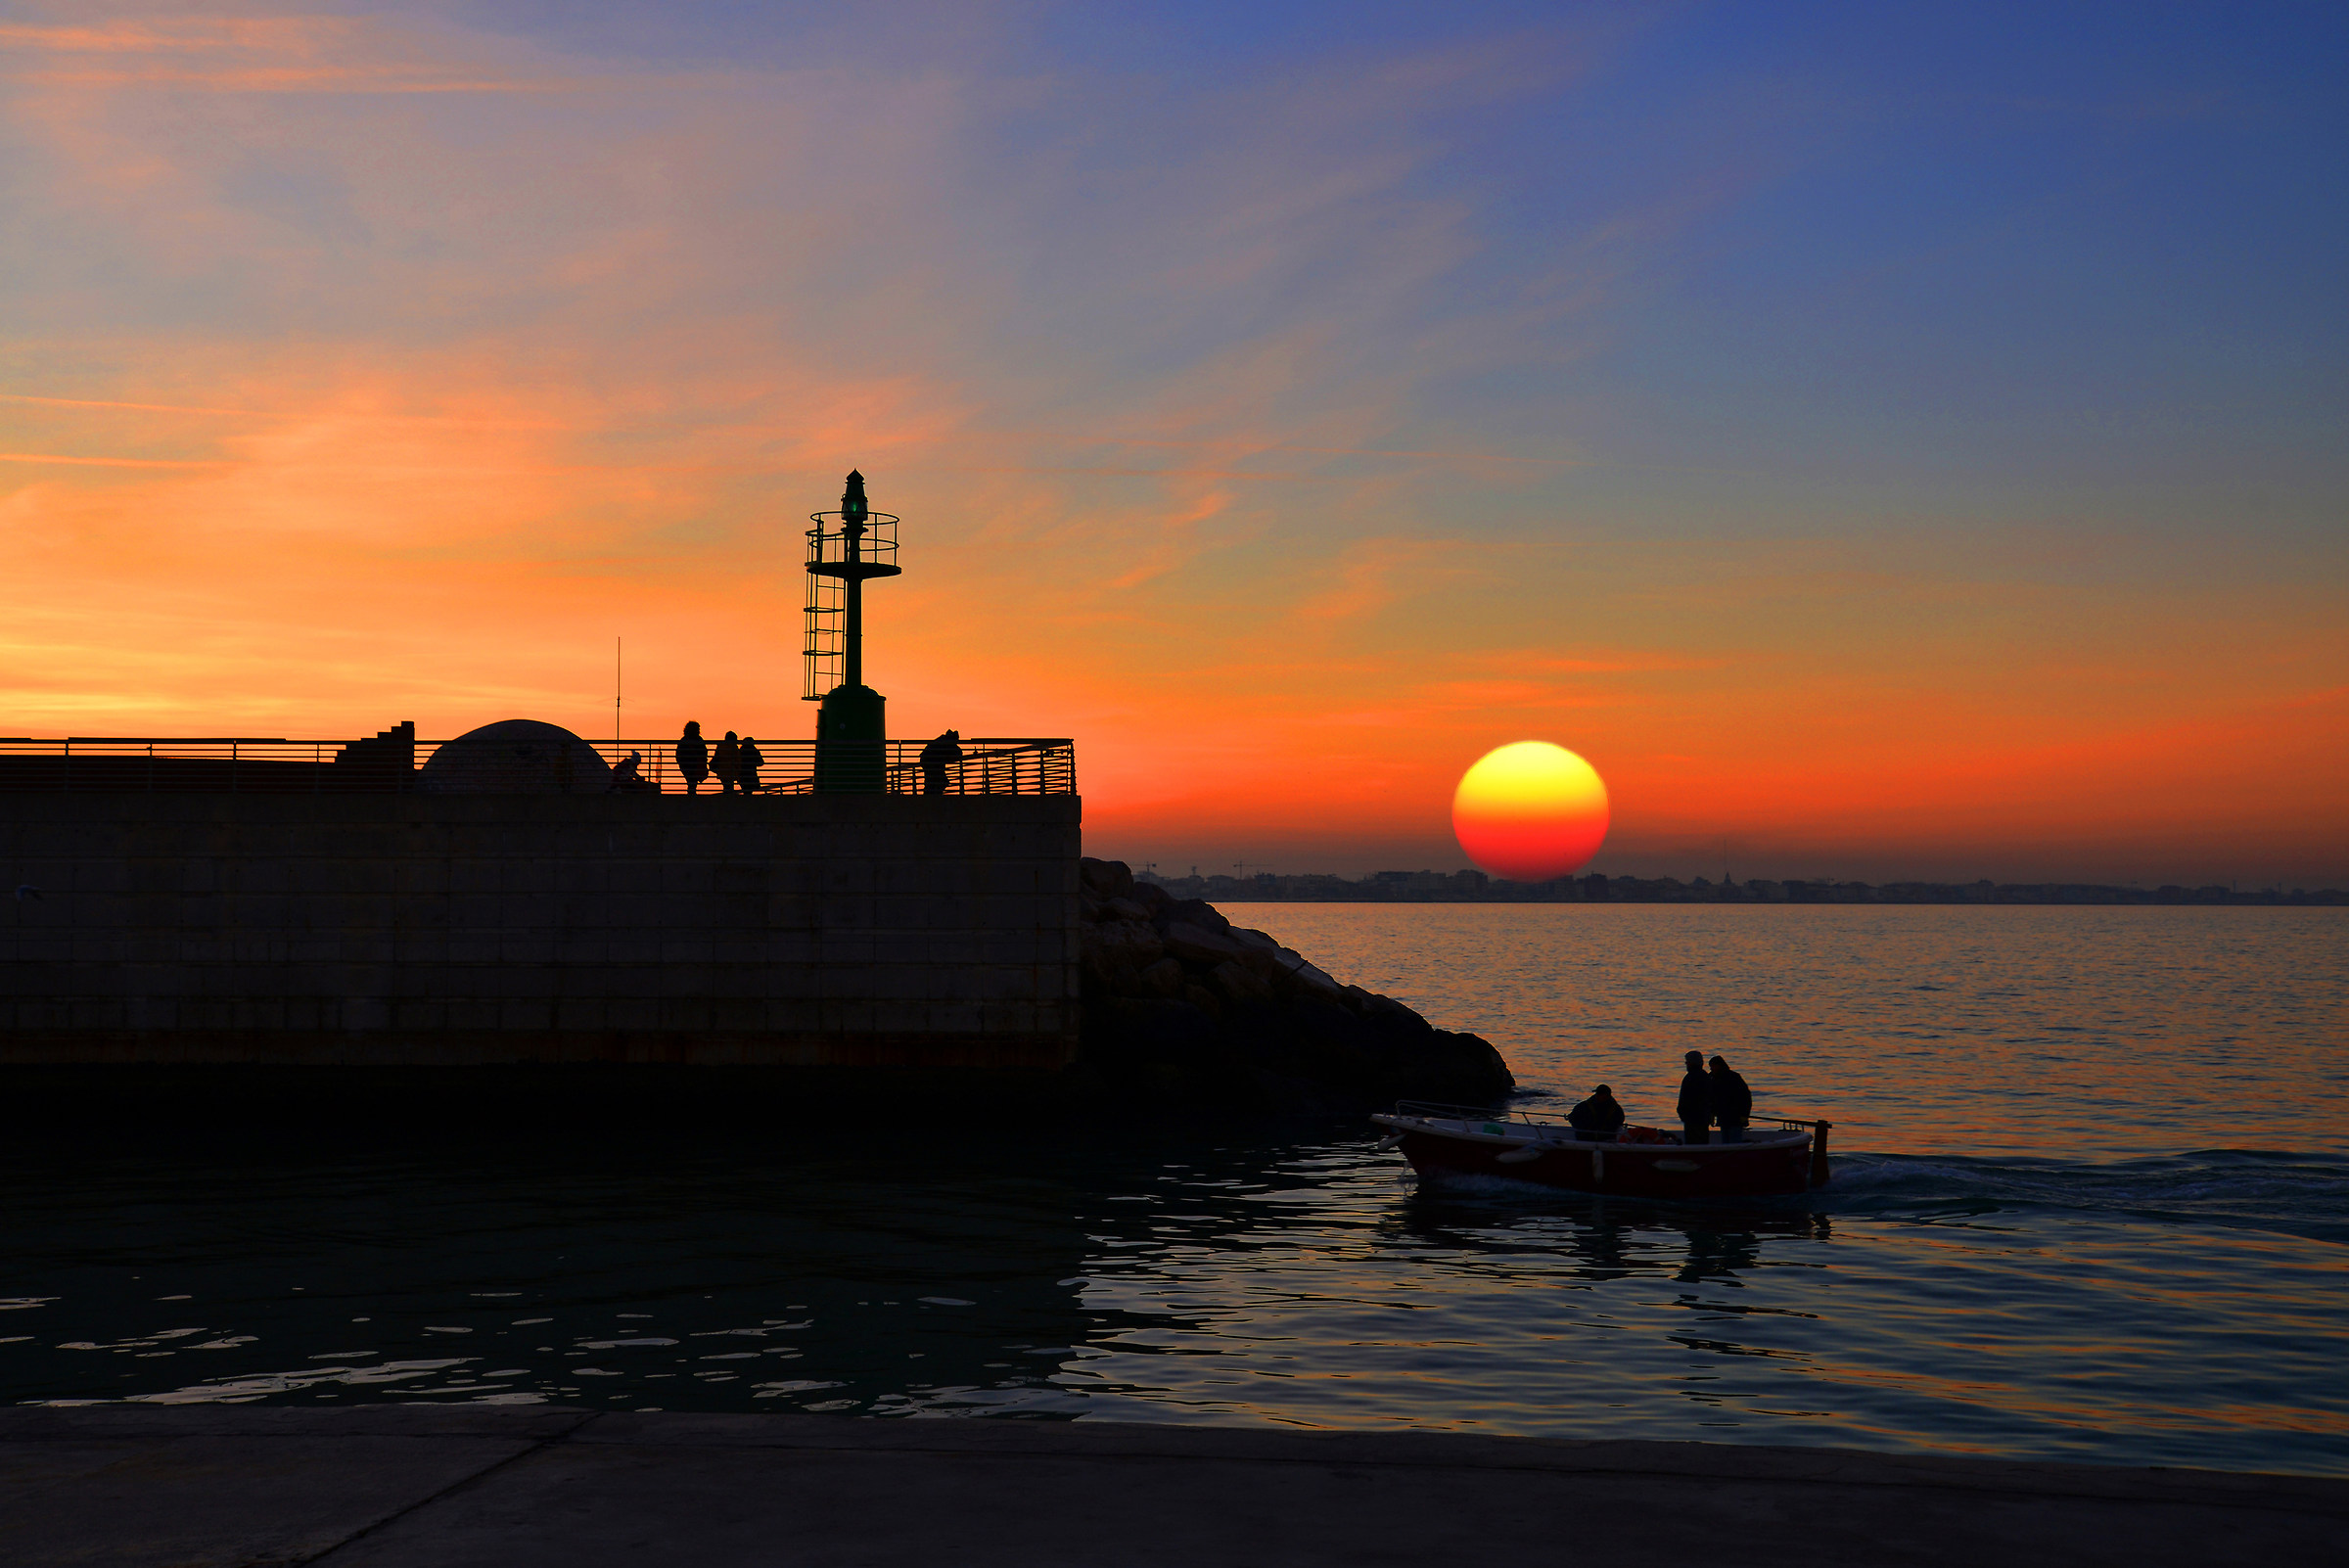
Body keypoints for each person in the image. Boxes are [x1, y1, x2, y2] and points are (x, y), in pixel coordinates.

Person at [1709, 1055, 1753, 1143]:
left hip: (1735, 1118)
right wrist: (1712, 1113)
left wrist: (1744, 1115)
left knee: (1734, 1141)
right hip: (1723, 1118)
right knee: (1726, 1142)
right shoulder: (1713, 1079)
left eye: (1713, 1066)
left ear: (1719, 1065)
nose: (1711, 1069)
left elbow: (1746, 1098)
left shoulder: (1733, 1077)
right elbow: (1713, 1099)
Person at [1676, 1050, 1713, 1146]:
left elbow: (1685, 1098)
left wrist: (1682, 1113)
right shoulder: (1705, 1076)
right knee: (1703, 1142)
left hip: (1692, 1118)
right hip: (1703, 1117)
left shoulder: (1690, 1077)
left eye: (1687, 1062)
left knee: (1693, 1142)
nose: (1686, 1064)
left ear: (1692, 1062)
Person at [919, 729, 963, 796]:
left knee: (932, 781)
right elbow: (958, 752)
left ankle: (932, 796)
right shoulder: (946, 742)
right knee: (937, 781)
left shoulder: (943, 740)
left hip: (929, 761)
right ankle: (934, 796)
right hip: (931, 762)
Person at [675, 721, 710, 795]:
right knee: (693, 782)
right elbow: (704, 752)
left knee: (691, 781)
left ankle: (691, 794)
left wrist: (681, 763)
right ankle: (692, 794)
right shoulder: (699, 740)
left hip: (686, 765)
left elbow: (678, 754)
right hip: (695, 764)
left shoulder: (684, 740)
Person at [714, 730, 743, 795]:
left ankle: (727, 797)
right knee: (730, 787)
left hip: (722, 770)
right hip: (731, 770)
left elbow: (717, 757)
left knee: (726, 786)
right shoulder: (734, 748)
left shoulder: (720, 746)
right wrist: (739, 770)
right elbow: (738, 760)